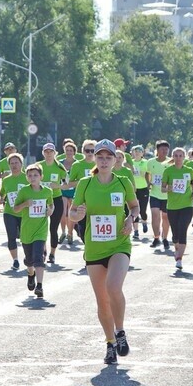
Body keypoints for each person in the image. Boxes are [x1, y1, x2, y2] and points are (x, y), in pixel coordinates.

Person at [68, 139, 139, 364]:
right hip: (94, 247)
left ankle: (120, 331)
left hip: (119, 244)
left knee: (113, 286)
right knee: (102, 301)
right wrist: (77, 215)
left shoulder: (123, 182)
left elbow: (135, 206)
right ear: (95, 159)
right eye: (101, 157)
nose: (105, 160)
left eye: (109, 157)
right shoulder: (85, 184)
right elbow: (72, 212)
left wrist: (131, 218)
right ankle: (110, 343)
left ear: (115, 159)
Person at [13, 163, 53, 298]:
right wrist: (25, 204)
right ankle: (31, 274)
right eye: (30, 175)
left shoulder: (48, 191)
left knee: (38, 258)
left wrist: (50, 210)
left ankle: (40, 286)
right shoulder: (24, 191)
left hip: (41, 230)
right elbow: (15, 209)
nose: (33, 177)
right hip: (26, 231)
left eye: (36, 175)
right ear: (27, 177)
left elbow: (51, 204)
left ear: (41, 176)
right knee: (29, 260)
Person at [161, 148, 193, 269]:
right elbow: (162, 188)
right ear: (173, 157)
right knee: (175, 234)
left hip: (187, 205)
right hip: (172, 206)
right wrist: (169, 188)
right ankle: (177, 248)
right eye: (176, 155)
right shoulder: (168, 171)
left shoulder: (189, 171)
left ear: (184, 157)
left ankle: (179, 259)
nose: (178, 158)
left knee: (183, 230)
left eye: (180, 155)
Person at [36, 143, 67, 265]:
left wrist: (58, 186)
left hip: (56, 198)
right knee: (40, 227)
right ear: (43, 153)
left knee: (53, 228)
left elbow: (66, 184)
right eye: (46, 152)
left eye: (51, 152)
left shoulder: (60, 167)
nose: (48, 154)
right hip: (41, 199)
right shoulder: (38, 166)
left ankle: (52, 254)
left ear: (55, 153)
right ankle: (42, 250)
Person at [0, 152, 27, 269]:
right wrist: (1, 199)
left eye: (16, 163)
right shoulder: (6, 180)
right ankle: (15, 260)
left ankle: (28, 257)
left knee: (25, 237)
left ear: (21, 164)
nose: (14, 165)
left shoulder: (27, 177)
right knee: (11, 237)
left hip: (24, 213)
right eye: (11, 163)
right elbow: (2, 193)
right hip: (9, 212)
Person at [68, 140, 97, 240]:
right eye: (87, 150)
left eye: (92, 151)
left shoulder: (100, 165)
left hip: (96, 200)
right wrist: (83, 182)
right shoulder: (77, 165)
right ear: (83, 151)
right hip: (82, 201)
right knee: (84, 233)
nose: (90, 153)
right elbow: (70, 183)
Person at [147, 140, 171, 250]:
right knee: (155, 215)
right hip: (155, 193)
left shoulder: (171, 162)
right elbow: (147, 173)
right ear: (157, 150)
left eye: (166, 149)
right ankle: (156, 237)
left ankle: (165, 238)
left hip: (166, 195)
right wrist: (148, 183)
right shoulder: (151, 162)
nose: (164, 151)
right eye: (162, 149)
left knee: (165, 218)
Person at [59, 142, 79, 246]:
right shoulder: (60, 163)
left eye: (71, 150)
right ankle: (63, 232)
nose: (69, 152)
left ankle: (70, 233)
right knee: (63, 212)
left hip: (74, 190)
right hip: (62, 190)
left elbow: (80, 179)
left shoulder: (77, 164)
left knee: (70, 213)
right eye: (67, 150)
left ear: (74, 152)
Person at [130, 145, 150, 240]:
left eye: (139, 151)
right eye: (135, 151)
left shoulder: (145, 162)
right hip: (133, 189)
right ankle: (136, 231)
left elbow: (149, 173)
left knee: (142, 210)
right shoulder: (131, 163)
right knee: (134, 210)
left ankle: (144, 222)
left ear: (142, 153)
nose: (137, 152)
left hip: (143, 188)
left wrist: (144, 173)